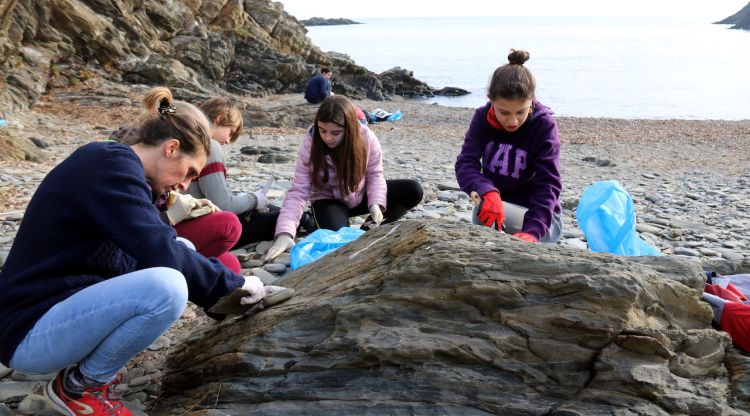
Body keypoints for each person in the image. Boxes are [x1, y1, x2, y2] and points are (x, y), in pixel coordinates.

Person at [0, 87, 284, 416]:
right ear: (172, 148)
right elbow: (159, 251)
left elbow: (155, 249)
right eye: (190, 172)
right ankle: (79, 387)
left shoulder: (119, 169)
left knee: (183, 249)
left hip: (49, 313)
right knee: (167, 286)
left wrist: (228, 291)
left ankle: (87, 371)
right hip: (27, 330)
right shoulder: (110, 167)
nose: (185, 185)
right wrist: (234, 286)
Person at [264, 95, 423, 261]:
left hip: (358, 194)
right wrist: (284, 233)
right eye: (323, 131)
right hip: (328, 200)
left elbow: (375, 175)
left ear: (349, 128)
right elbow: (298, 190)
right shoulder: (311, 142)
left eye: (336, 132)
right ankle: (309, 220)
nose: (328, 138)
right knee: (339, 247)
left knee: (413, 190)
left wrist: (376, 204)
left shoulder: (366, 137)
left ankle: (368, 234)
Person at [455, 49, 563, 243]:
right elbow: (466, 163)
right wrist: (486, 189)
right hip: (498, 206)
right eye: (504, 112)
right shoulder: (482, 117)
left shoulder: (543, 124)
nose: (513, 121)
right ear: (491, 101)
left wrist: (533, 231)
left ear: (531, 101)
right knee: (482, 210)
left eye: (521, 112)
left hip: (542, 219)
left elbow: (548, 184)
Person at [184, 97, 284, 248]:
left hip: (179, 222)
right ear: (219, 119)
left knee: (270, 209)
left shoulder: (185, 138)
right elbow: (224, 204)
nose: (228, 141)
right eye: (231, 132)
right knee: (279, 217)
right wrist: (254, 199)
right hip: (195, 227)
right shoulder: (210, 146)